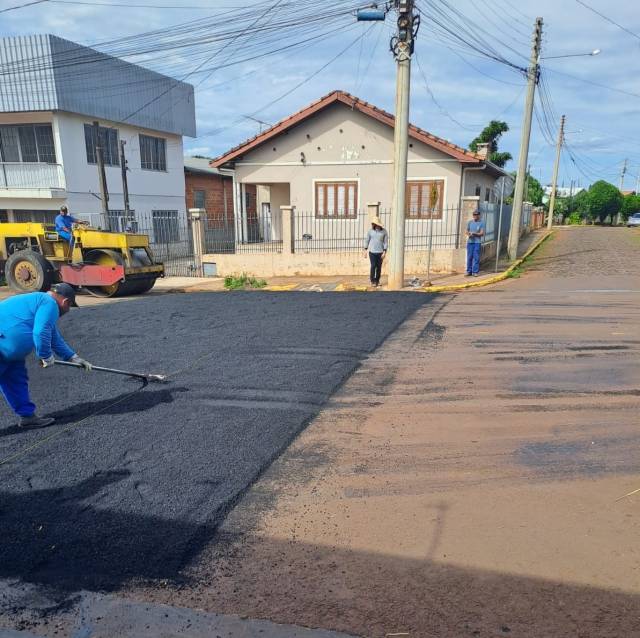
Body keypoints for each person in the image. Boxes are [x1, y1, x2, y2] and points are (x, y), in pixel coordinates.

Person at [0, 283, 93, 428]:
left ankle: (28, 417)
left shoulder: (41, 302)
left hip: (8, 354)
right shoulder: (49, 303)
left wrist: (73, 358)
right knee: (15, 381)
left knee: (16, 381)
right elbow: (41, 331)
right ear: (65, 302)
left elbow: (53, 336)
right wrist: (45, 355)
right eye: (69, 307)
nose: (67, 310)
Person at [363, 216, 388, 287]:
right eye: (373, 223)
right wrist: (365, 250)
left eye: (375, 223)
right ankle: (372, 281)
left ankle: (377, 280)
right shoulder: (370, 231)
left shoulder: (384, 231)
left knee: (379, 267)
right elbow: (367, 240)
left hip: (380, 252)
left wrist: (384, 252)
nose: (374, 225)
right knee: (373, 266)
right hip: (372, 252)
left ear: (379, 224)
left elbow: (385, 242)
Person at [465, 209, 485, 277]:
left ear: (479, 215)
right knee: (469, 257)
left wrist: (475, 234)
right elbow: (466, 231)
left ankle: (475, 272)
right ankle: (469, 271)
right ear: (473, 215)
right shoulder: (470, 222)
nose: (475, 216)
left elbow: (482, 233)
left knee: (476, 257)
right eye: (474, 214)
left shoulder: (481, 223)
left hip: (477, 242)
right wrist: (469, 234)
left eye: (476, 215)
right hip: (470, 242)